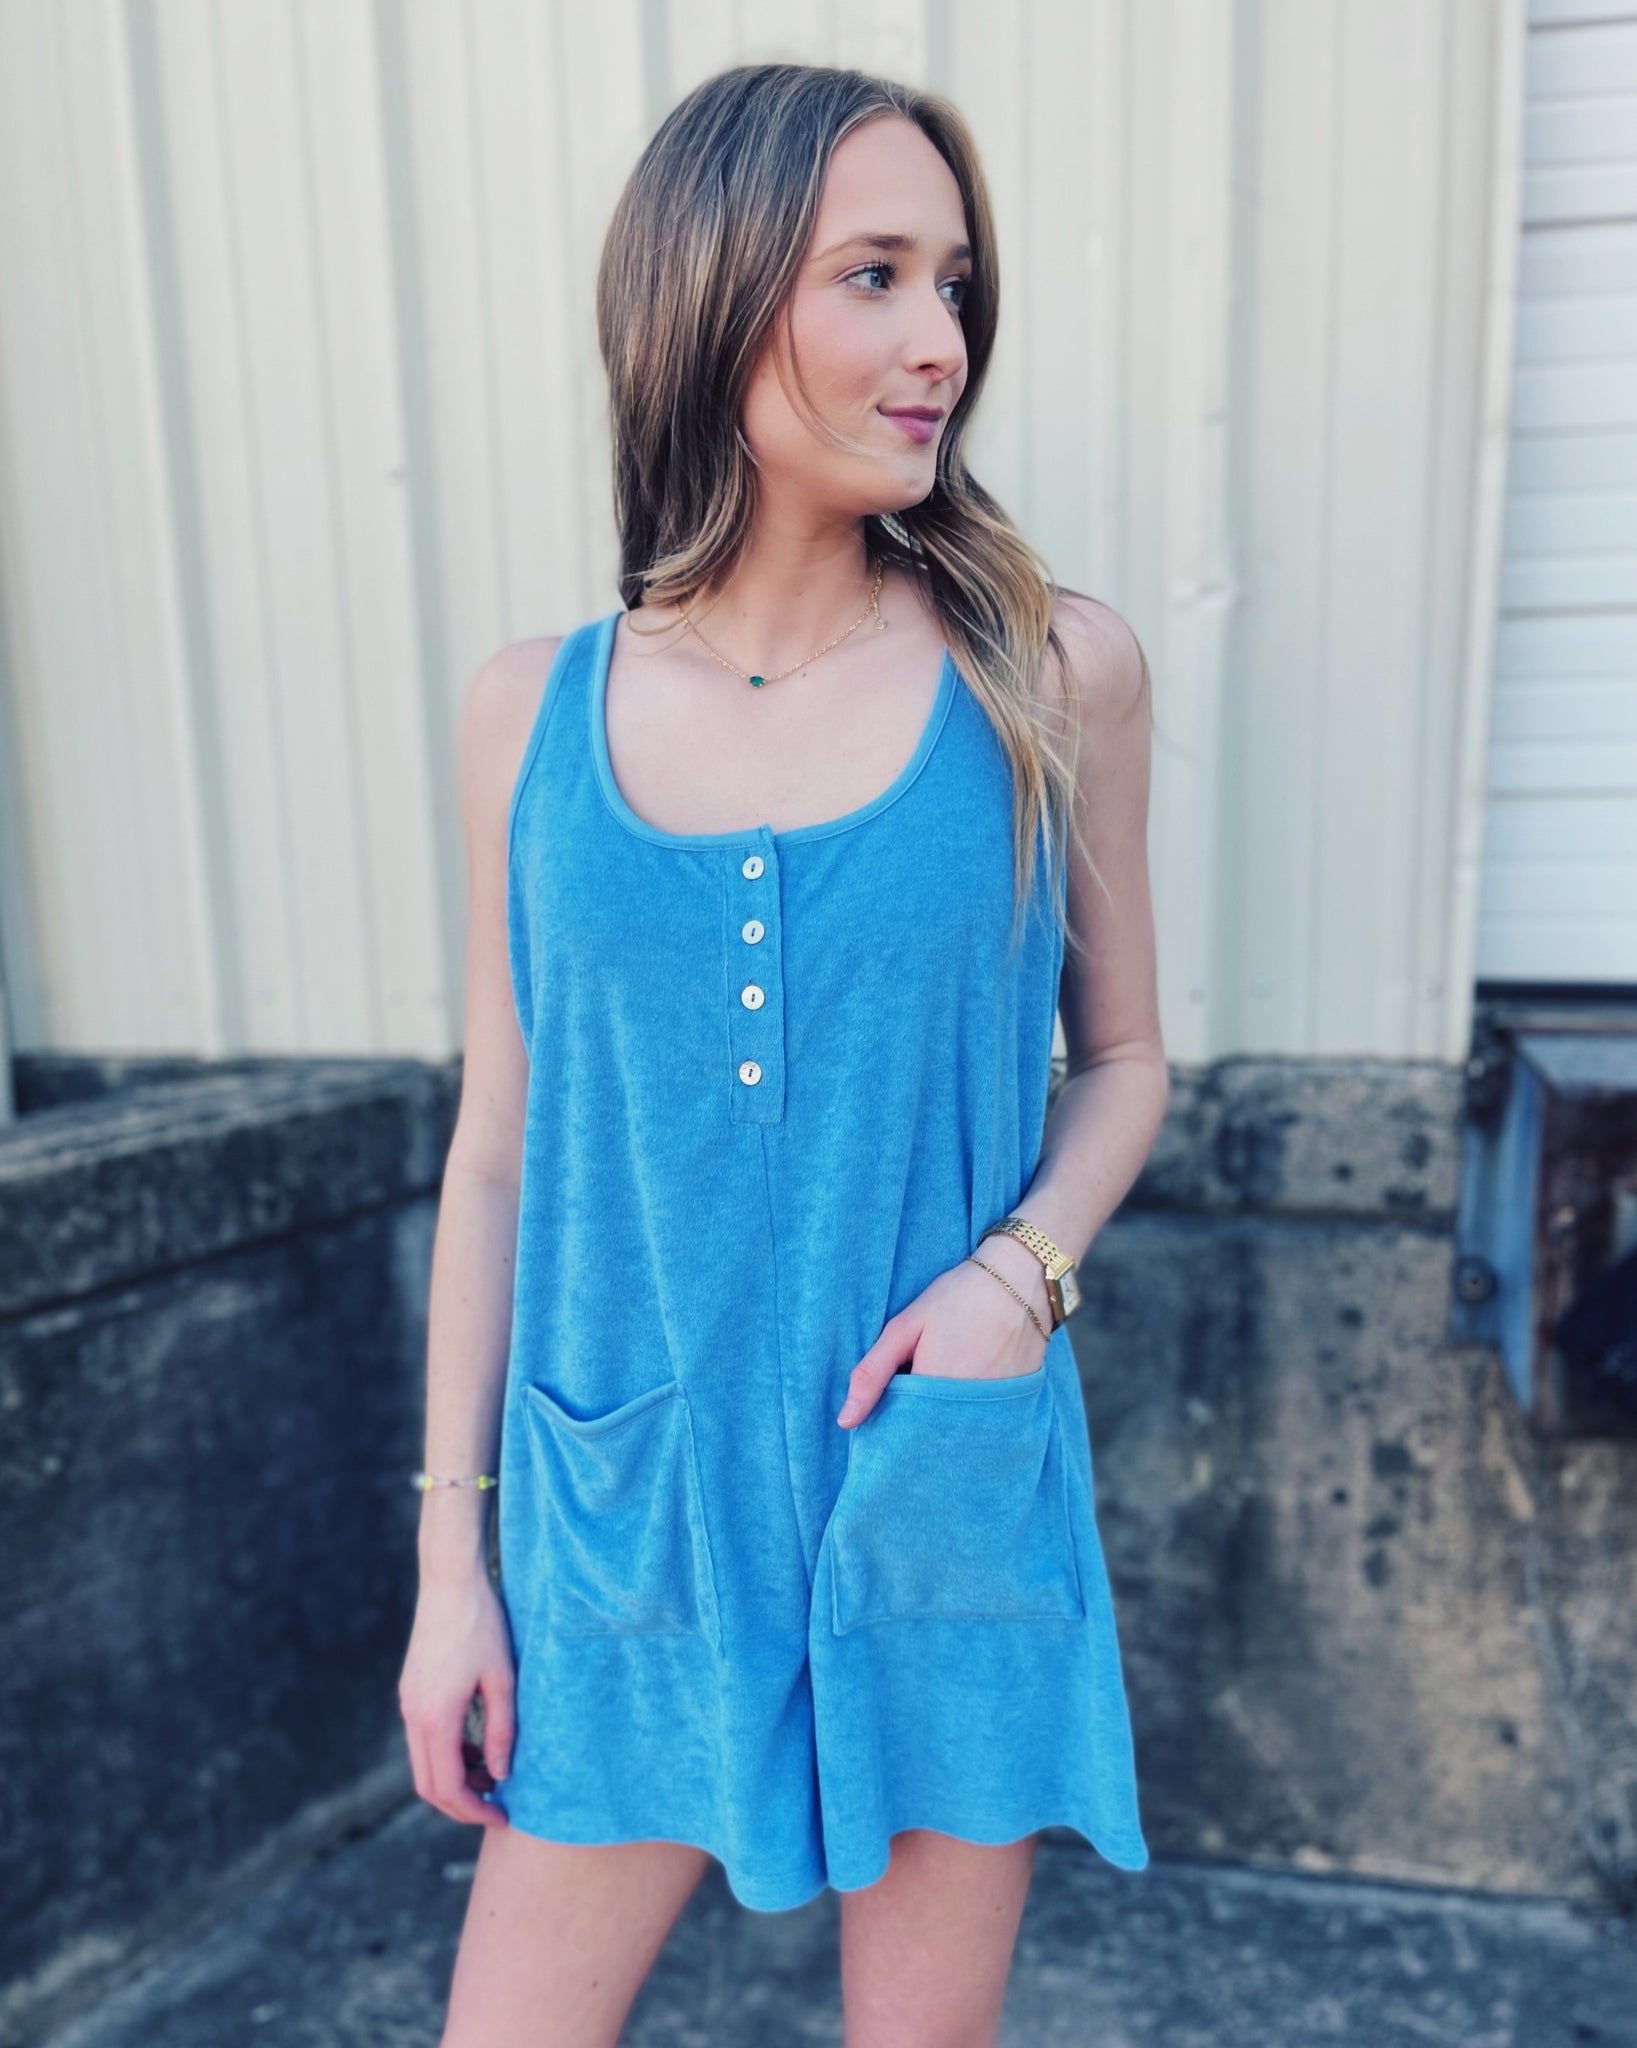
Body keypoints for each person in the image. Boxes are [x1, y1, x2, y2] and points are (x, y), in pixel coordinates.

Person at [399, 59, 1168, 2048]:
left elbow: (1127, 1060)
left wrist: (1021, 1276)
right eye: (876, 275)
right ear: (715, 294)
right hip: (624, 1513)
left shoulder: (1047, 671)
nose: (941, 344)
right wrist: (449, 1564)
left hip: (933, 1484)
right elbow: (498, 1148)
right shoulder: (530, 712)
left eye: (956, 284)